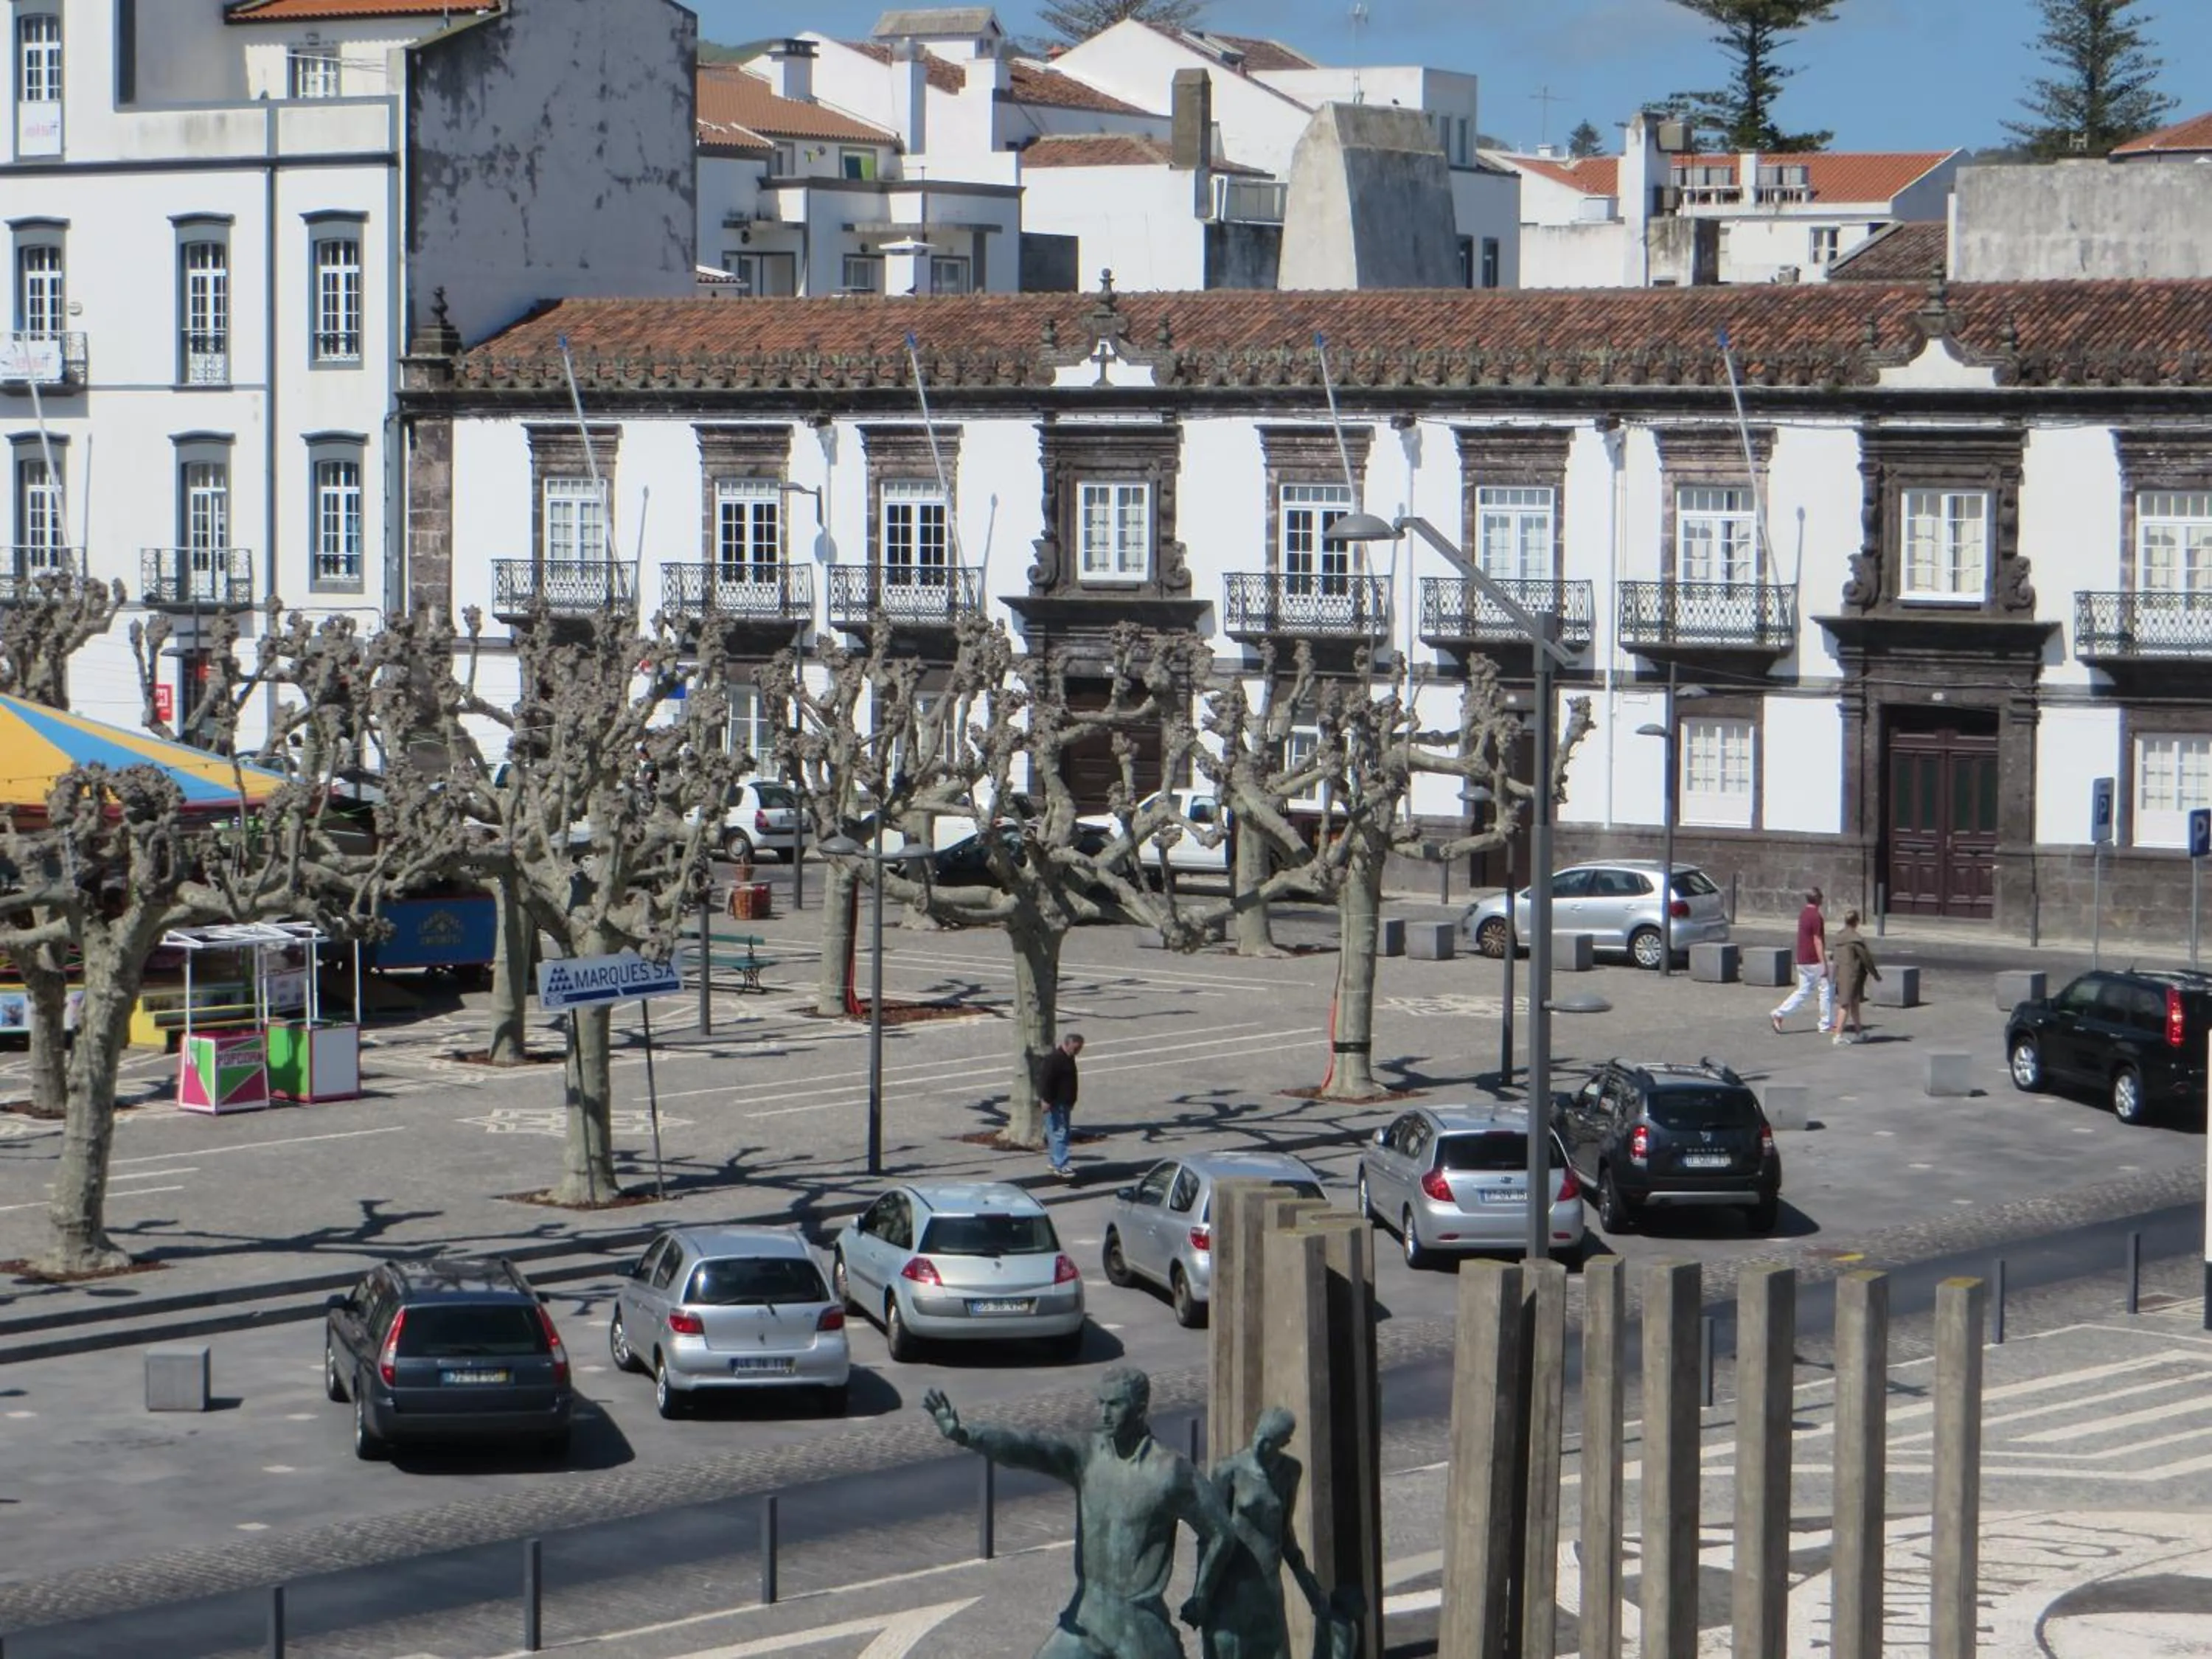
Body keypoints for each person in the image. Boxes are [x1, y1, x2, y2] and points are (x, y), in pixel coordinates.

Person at [925, 1368, 1225, 1659]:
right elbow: (1031, 1447)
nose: (1105, 1414)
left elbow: (1220, 1533)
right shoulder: (1087, 1454)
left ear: (1140, 1409)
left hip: (1139, 1622)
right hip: (1087, 1615)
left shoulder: (1170, 1472)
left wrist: (1203, 1594)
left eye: (1115, 1404)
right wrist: (967, 1434)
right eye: (1101, 1403)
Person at [1180, 1408, 1340, 1659]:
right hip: (1232, 1588)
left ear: (1284, 1443)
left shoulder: (1290, 1472)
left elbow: (1285, 1535)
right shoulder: (1228, 1471)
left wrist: (1311, 1590)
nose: (1259, 1445)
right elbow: (1212, 1536)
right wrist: (1201, 1594)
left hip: (1267, 1588)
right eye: (1258, 1436)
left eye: (1268, 1442)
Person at [1770, 886, 1833, 1035]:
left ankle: (1779, 1013)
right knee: (1826, 989)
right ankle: (1825, 1024)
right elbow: (1817, 940)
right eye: (1821, 897)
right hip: (1813, 960)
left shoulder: (1804, 914)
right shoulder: (1816, 917)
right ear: (1818, 899)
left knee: (1803, 991)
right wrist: (1823, 963)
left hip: (1802, 959)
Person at [1829, 908, 1881, 1044]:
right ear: (1856, 922)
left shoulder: (1839, 938)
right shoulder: (1856, 939)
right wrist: (1875, 974)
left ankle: (1859, 1032)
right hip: (1852, 975)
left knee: (1854, 1004)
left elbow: (1834, 957)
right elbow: (1866, 958)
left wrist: (1833, 975)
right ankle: (1838, 1035)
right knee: (1845, 1005)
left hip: (1841, 974)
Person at [1039, 1031, 1084, 1180]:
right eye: (1075, 1048)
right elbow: (1046, 1080)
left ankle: (1055, 1162)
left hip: (1064, 1103)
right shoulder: (1054, 1059)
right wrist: (1046, 1100)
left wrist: (1071, 1101)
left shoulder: (1068, 1058)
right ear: (1066, 1044)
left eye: (1079, 1049)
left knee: (1058, 1133)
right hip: (1055, 1103)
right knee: (1060, 1133)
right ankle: (1061, 1165)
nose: (1077, 1051)